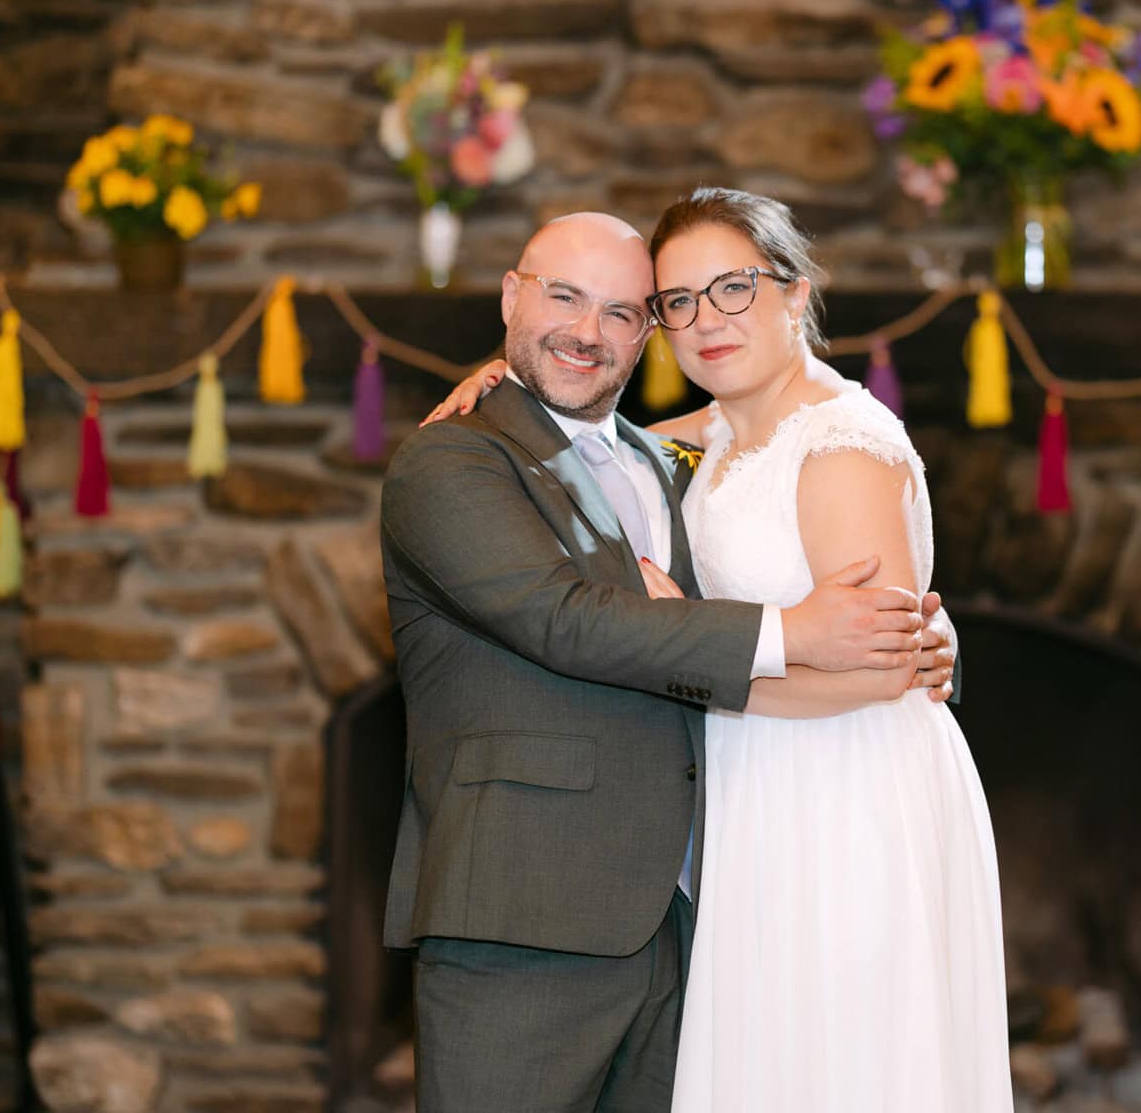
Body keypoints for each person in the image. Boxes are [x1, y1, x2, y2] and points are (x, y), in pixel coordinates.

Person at [427, 190, 1010, 1111]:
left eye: (732, 289)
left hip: (840, 795)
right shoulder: (712, 437)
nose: (705, 321)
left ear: (795, 293)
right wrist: (502, 381)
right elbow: (590, 444)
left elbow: (882, 665)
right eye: (677, 302)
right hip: (749, 801)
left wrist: (683, 667)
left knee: (839, 1065)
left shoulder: (841, 443)